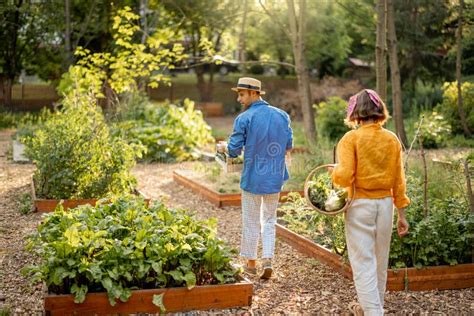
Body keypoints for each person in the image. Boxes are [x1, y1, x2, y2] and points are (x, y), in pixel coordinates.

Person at [331, 89, 410, 316]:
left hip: (360, 205)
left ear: (356, 112)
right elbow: (399, 179)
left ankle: (374, 312)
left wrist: (334, 173)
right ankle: (371, 308)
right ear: (378, 110)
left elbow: (344, 176)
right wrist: (402, 214)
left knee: (363, 261)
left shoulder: (351, 139)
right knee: (379, 260)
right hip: (385, 205)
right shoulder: (392, 139)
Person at [217, 77, 293, 279]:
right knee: (269, 219)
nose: (239, 99)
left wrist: (224, 148)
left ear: (254, 93)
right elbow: (288, 145)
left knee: (251, 220)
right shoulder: (282, 115)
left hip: (252, 178)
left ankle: (251, 264)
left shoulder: (244, 118)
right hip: (275, 177)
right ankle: (267, 259)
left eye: (241, 94)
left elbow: (233, 151)